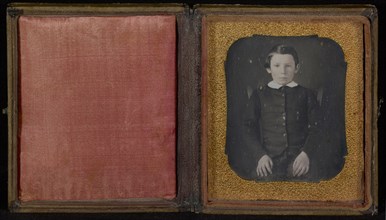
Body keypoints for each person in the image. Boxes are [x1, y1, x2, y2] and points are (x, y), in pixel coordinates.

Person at [244, 44, 320, 181]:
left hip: (299, 159)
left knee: (309, 184)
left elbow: (317, 127)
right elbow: (248, 128)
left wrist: (306, 154)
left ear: (297, 68)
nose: (283, 71)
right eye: (277, 66)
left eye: (288, 66)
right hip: (269, 158)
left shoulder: (307, 94)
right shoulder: (259, 95)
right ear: (268, 68)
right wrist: (260, 155)